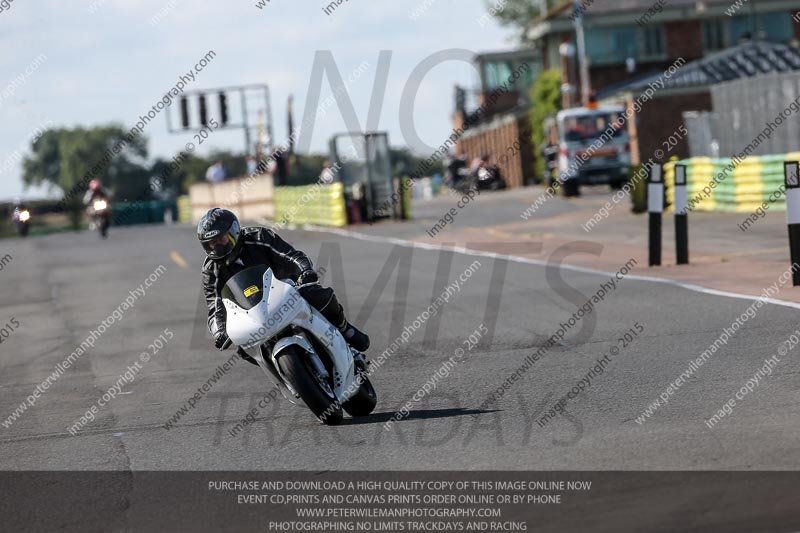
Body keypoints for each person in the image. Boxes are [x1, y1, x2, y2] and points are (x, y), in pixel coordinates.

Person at [198, 208, 370, 356]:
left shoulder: (258, 236)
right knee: (242, 347)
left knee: (315, 294)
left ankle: (345, 328)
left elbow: (292, 256)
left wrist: (305, 271)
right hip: (251, 311)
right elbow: (214, 305)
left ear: (233, 232)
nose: (217, 246)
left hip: (286, 288)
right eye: (211, 243)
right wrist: (218, 330)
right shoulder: (211, 269)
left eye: (221, 240)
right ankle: (284, 376)